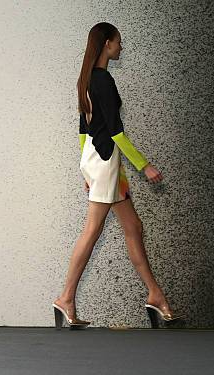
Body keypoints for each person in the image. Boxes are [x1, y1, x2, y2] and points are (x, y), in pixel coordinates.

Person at [52, 22, 182, 330]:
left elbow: (84, 129)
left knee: (133, 226)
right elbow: (115, 131)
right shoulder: (103, 80)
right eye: (118, 42)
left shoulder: (85, 80)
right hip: (107, 160)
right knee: (93, 229)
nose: (121, 48)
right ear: (107, 43)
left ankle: (155, 295)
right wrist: (144, 165)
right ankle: (66, 298)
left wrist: (88, 167)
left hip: (99, 161)